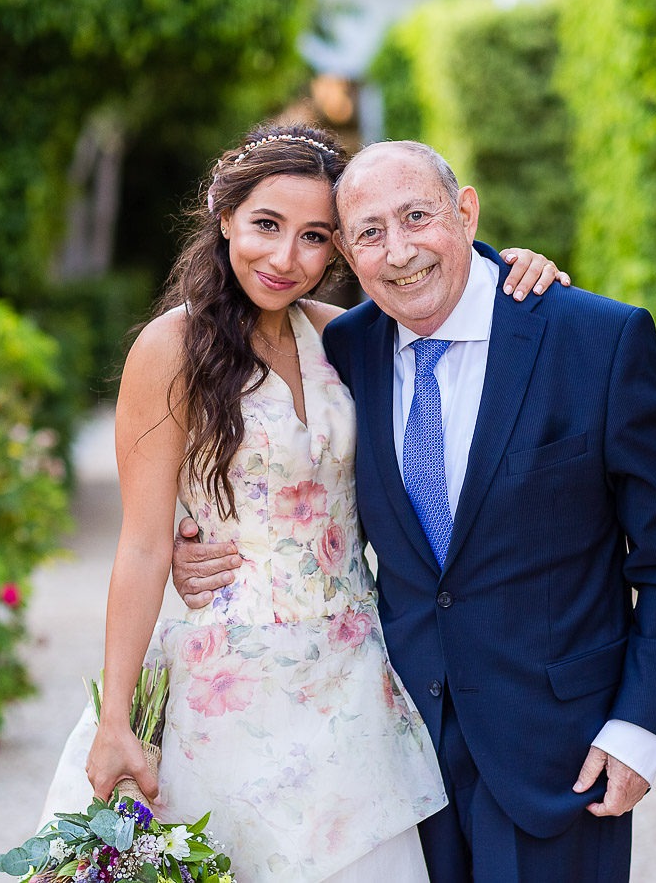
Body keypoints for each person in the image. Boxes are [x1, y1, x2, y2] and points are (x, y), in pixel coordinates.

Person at [172, 141, 656, 883]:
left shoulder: (593, 339)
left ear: (466, 214)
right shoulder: (347, 348)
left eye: (418, 217)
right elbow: (302, 486)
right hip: (394, 754)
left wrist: (642, 727)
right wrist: (204, 541)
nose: (399, 252)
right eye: (369, 232)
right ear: (347, 252)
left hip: (560, 750)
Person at [37, 125, 569, 883]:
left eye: (315, 237)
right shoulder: (168, 351)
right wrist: (118, 717)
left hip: (355, 677)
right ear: (225, 218)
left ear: (341, 250)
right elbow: (146, 544)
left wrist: (517, 269)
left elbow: (447, 302)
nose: (286, 259)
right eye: (266, 226)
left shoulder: (345, 335)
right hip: (224, 685)